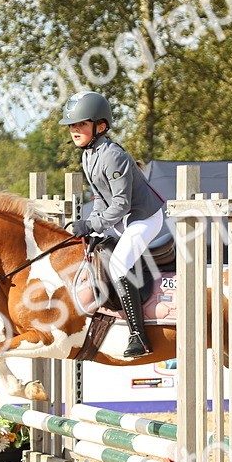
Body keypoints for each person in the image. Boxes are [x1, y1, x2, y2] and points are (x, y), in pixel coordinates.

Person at [60, 91, 166, 359]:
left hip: (143, 218)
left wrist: (91, 224)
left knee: (118, 264)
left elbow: (120, 204)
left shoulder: (112, 155)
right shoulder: (88, 155)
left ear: (101, 126)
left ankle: (138, 336)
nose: (75, 130)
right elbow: (100, 199)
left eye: (81, 124)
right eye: (72, 125)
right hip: (122, 218)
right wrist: (92, 226)